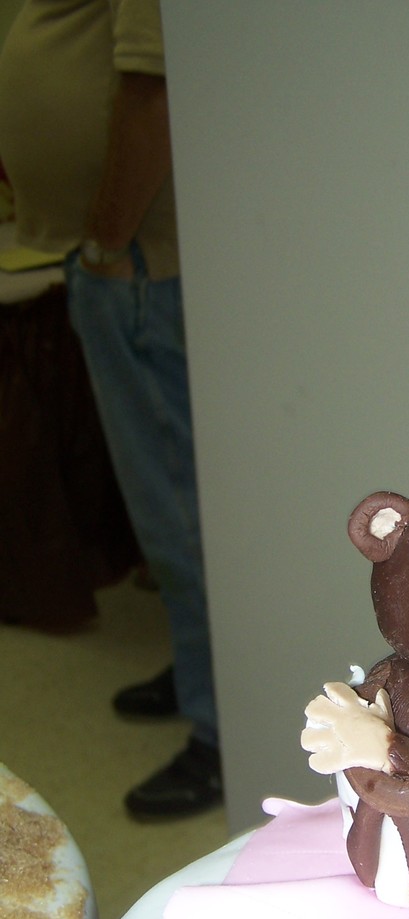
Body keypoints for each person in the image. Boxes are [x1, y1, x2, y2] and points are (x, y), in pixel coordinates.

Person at [0, 0, 221, 817]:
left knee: (177, 510)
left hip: (134, 262)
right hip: (123, 259)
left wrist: (107, 241)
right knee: (165, 502)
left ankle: (223, 728)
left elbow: (152, 88)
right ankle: (201, 667)